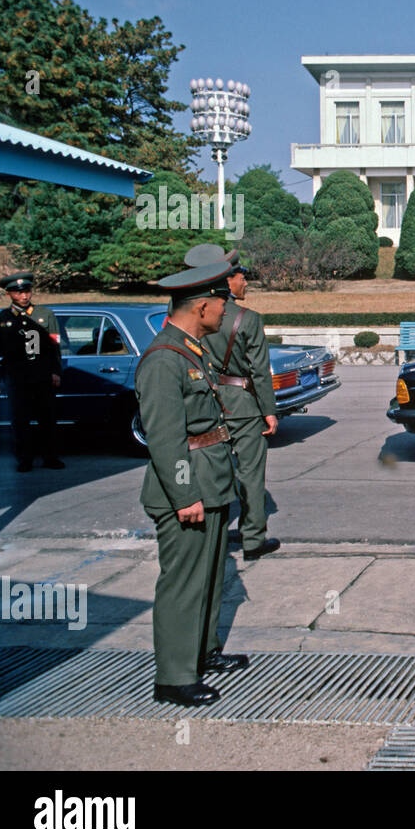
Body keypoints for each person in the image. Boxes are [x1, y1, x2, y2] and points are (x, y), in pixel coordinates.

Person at [136, 260, 248, 707]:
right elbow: (165, 438)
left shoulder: (191, 350)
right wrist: (185, 495)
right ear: (201, 306)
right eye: (222, 302)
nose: (226, 310)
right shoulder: (165, 359)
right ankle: (174, 676)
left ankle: (202, 653)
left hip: (212, 480)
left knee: (209, 576)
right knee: (184, 581)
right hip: (188, 487)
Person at [184, 244, 280, 561]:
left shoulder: (190, 315)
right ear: (228, 278)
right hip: (242, 404)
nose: (246, 283)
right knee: (251, 473)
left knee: (212, 471)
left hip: (205, 402)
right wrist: (268, 411)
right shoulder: (246, 319)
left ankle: (214, 534)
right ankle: (253, 538)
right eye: (243, 276)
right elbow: (260, 373)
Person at [0, 273, 62, 471]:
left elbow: (55, 346)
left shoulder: (45, 315)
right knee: (20, 420)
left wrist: (55, 371)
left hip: (42, 375)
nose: (24, 296)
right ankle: (24, 459)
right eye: (18, 293)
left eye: (27, 291)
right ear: (9, 294)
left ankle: (50, 457)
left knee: (47, 418)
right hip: (16, 377)